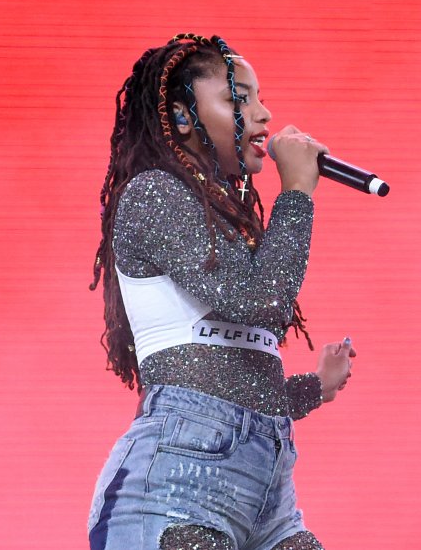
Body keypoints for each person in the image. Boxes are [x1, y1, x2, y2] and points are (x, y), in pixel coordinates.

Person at [86, 34, 354, 550]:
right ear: (184, 118)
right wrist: (296, 193)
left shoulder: (220, 218)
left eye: (258, 97)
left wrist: (311, 389)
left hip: (267, 499)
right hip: (173, 494)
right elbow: (260, 302)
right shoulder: (154, 193)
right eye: (239, 99)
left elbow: (233, 381)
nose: (263, 113)